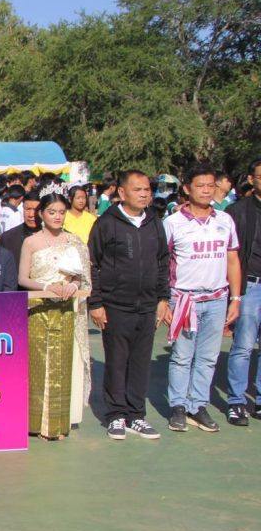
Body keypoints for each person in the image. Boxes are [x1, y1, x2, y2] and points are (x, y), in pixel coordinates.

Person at [88, 170, 170, 440]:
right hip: (115, 305)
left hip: (146, 306)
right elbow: (93, 264)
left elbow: (163, 261)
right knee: (116, 361)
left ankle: (136, 415)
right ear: (122, 192)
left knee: (140, 362)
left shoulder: (154, 222)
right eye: (138, 190)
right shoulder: (106, 223)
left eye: (147, 189)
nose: (144, 194)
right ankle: (116, 415)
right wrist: (96, 302)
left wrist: (163, 298)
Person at [164, 164, 240, 433]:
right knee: (182, 356)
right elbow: (161, 264)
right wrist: (163, 301)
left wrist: (235, 298)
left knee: (208, 357)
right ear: (187, 189)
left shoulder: (225, 220)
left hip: (218, 299)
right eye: (200, 186)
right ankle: (178, 406)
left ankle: (198, 405)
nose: (206, 190)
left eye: (210, 185)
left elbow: (233, 260)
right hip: (184, 300)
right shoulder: (172, 223)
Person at [18, 185, 92, 438]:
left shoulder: (73, 241)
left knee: (62, 365)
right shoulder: (31, 242)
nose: (57, 217)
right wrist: (46, 287)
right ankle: (36, 423)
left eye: (61, 212)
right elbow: (22, 278)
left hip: (65, 310)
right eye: (52, 212)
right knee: (38, 364)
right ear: (41, 214)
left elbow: (81, 277)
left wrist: (73, 285)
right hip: (38, 309)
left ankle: (59, 424)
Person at [225, 158, 261, 426]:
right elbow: (230, 256)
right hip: (250, 286)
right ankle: (236, 401)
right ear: (251, 179)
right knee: (243, 346)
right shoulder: (237, 212)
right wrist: (233, 293)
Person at [0, 190, 41, 266]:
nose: (31, 214)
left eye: (36, 210)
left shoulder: (55, 237)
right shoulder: (8, 238)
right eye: (28, 209)